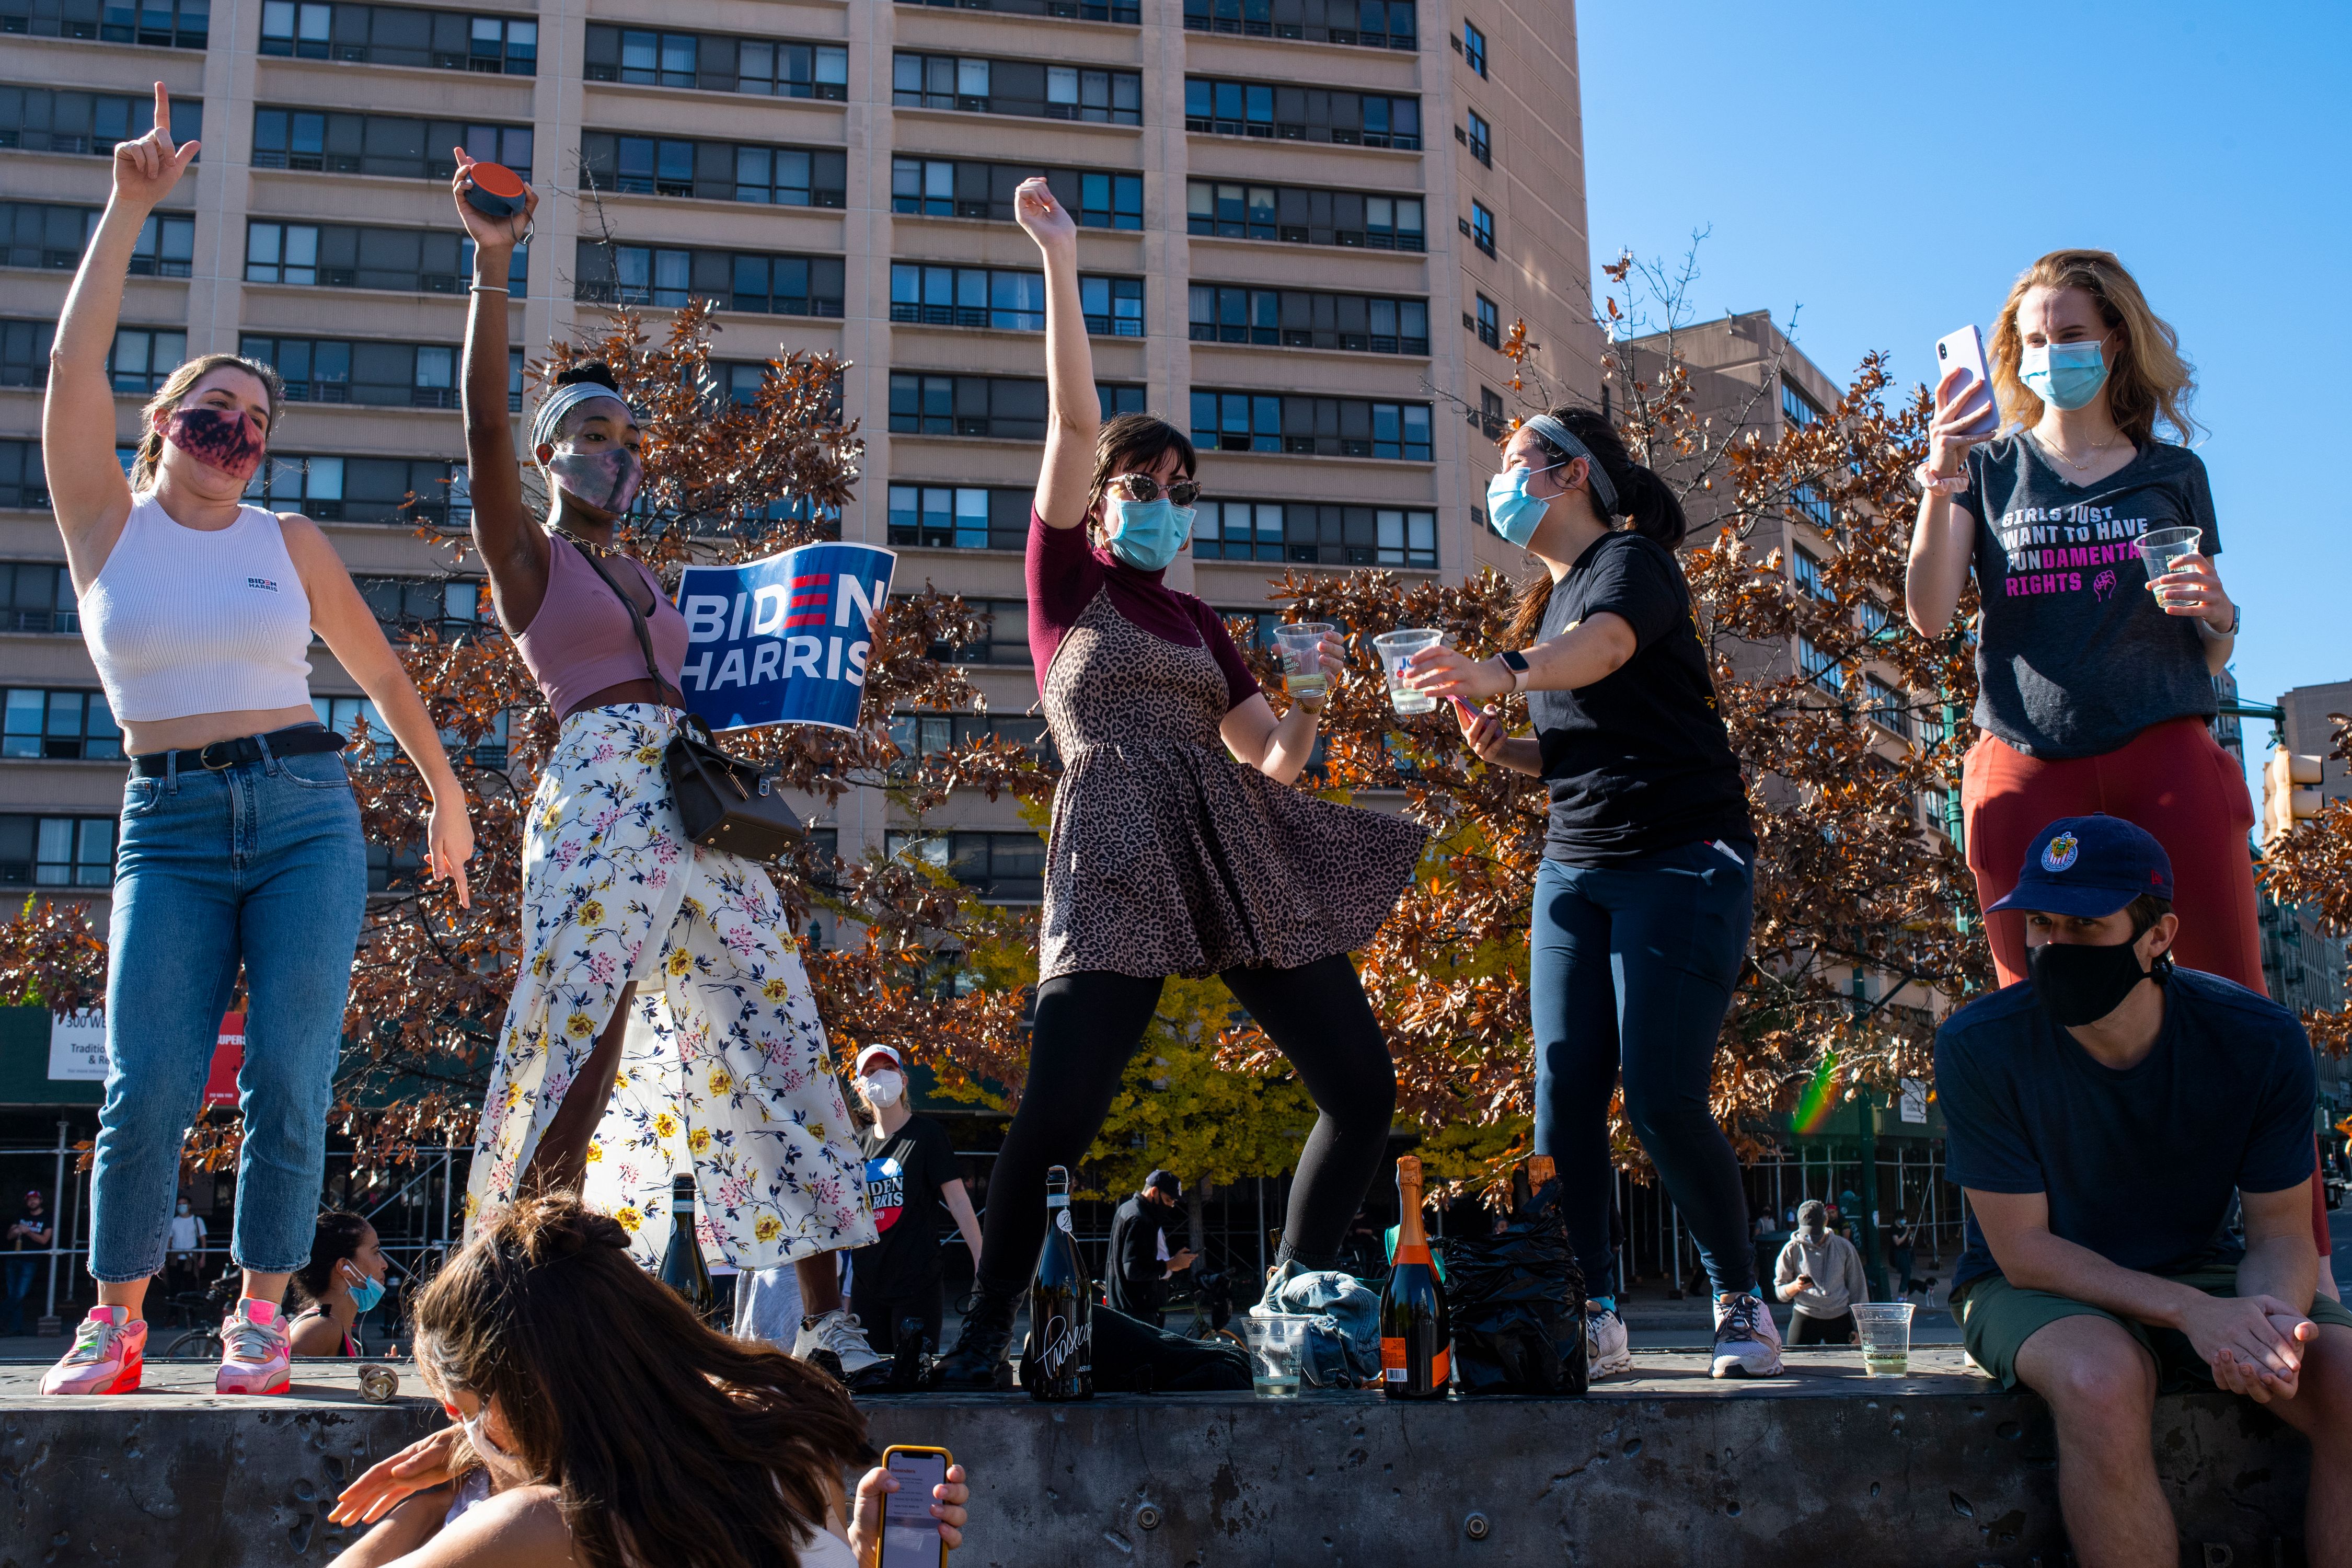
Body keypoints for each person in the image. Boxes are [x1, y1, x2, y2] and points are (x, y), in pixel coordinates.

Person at [932, 178, 1426, 1389]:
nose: (1161, 504)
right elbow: (1067, 420)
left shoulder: (1199, 619)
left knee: (1361, 1088)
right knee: (1057, 1116)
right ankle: (983, 1333)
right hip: (1111, 845)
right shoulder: (1065, 583)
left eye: (1178, 490)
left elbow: (1270, 757)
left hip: (1225, 844)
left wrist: (1309, 694)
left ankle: (1289, 1296)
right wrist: (1060, 257)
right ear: (1101, 500)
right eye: (1140, 486)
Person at [39, 86, 474, 1399]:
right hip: (164, 821)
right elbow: (70, 373)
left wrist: (445, 794)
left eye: (254, 426)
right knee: (150, 1079)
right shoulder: (110, 525)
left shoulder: (290, 542)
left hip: (303, 810)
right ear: (164, 424)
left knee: (291, 1075)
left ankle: (258, 1316)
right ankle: (112, 1324)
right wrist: (128, 206)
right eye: (210, 415)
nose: (234, 437)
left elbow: (385, 669)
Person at [444, 154, 882, 1382]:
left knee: (771, 1025)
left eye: (630, 436)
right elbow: (478, 424)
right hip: (593, 787)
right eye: (592, 433)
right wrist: (491, 267)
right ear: (549, 452)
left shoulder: (657, 576)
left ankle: (826, 1313)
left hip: (692, 795)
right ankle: (522, 1299)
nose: (618, 451)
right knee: (577, 1032)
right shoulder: (530, 559)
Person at [1404, 407, 1780, 1381]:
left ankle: (1739, 1302)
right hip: (1575, 868)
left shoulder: (1631, 565)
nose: (1501, 479)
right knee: (1562, 1092)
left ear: (1569, 475)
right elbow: (1591, 741)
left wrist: (1497, 671)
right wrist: (1512, 748)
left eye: (1515, 460)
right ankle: (1592, 1312)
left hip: (1684, 856)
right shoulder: (1549, 603)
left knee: (1658, 1096)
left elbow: (1610, 651)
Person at [1937, 815, 2352, 1567]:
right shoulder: (1980, 1044)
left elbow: (2284, 1234)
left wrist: (2267, 1336)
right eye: (2039, 923)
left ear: (2158, 938)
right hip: (2029, 1283)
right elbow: (2024, 1251)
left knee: (2348, 1383)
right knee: (2101, 1379)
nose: (2052, 947)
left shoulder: (2257, 1041)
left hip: (2201, 1263)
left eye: (2083, 926)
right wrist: (2195, 1314)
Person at [1906, 250, 2255, 993]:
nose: (2049, 353)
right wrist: (1943, 473)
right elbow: (1929, 616)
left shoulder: (2175, 473)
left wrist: (2222, 616)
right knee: (2037, 1000)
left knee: (2221, 989)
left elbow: (2210, 654)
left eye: (2068, 335)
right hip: (2025, 758)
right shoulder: (1987, 468)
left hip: (2165, 750)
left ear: (2114, 340)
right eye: (2034, 341)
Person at [323, 1194, 968, 1568]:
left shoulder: (544, 1526)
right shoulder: (781, 1442)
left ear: (524, 1394)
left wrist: (429, 1506)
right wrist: (860, 1548)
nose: (466, 1432)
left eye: (464, 1411)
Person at [845, 1045, 982, 1360]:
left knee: (914, 1381)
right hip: (868, 1285)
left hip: (917, 1284)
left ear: (904, 1079)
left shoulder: (927, 1134)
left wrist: (981, 1261)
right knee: (873, 1384)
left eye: (888, 1069)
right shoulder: (856, 1146)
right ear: (859, 1085)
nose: (880, 1076)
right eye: (870, 1071)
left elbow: (959, 1200)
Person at [287, 1212, 388, 1359]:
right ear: (344, 1267)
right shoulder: (322, 1328)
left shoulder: (332, 1327)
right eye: (376, 1253)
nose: (384, 1265)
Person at [1108, 1172, 1196, 1328]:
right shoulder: (1141, 1219)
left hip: (1122, 1306)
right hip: (1137, 1311)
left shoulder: (1127, 1209)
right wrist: (1171, 1264)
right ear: (1154, 1192)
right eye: (1169, 1199)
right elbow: (1134, 1270)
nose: (1171, 1205)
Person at [1774, 1201, 1869, 1346]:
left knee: (1850, 1366)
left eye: (1816, 1231)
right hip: (1805, 1315)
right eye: (1808, 1232)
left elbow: (1858, 1289)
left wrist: (1860, 1329)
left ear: (1826, 1222)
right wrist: (1795, 1287)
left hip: (1839, 1317)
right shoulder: (1792, 1249)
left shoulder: (1844, 1247)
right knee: (1798, 1365)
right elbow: (1780, 1291)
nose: (1812, 1237)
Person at [4, 1190, 52, 1336]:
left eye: (35, 1199)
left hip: (30, 1260)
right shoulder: (21, 1215)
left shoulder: (47, 1217)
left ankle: (6, 1322)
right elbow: (9, 1236)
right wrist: (17, 1230)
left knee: (19, 1294)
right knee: (14, 1295)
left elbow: (45, 1240)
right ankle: (15, 1329)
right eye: (30, 1200)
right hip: (14, 1258)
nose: (33, 1202)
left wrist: (27, 1231)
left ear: (41, 1200)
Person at [165, 1194, 207, 1297]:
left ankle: (190, 1311)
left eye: (184, 1204)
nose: (181, 1206)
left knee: (191, 1286)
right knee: (174, 1286)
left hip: (191, 1259)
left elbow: (203, 1240)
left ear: (189, 1206)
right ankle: (173, 1312)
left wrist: (203, 1257)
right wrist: (163, 1261)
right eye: (179, 1204)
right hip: (175, 1259)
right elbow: (169, 1242)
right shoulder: (173, 1221)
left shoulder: (197, 1221)